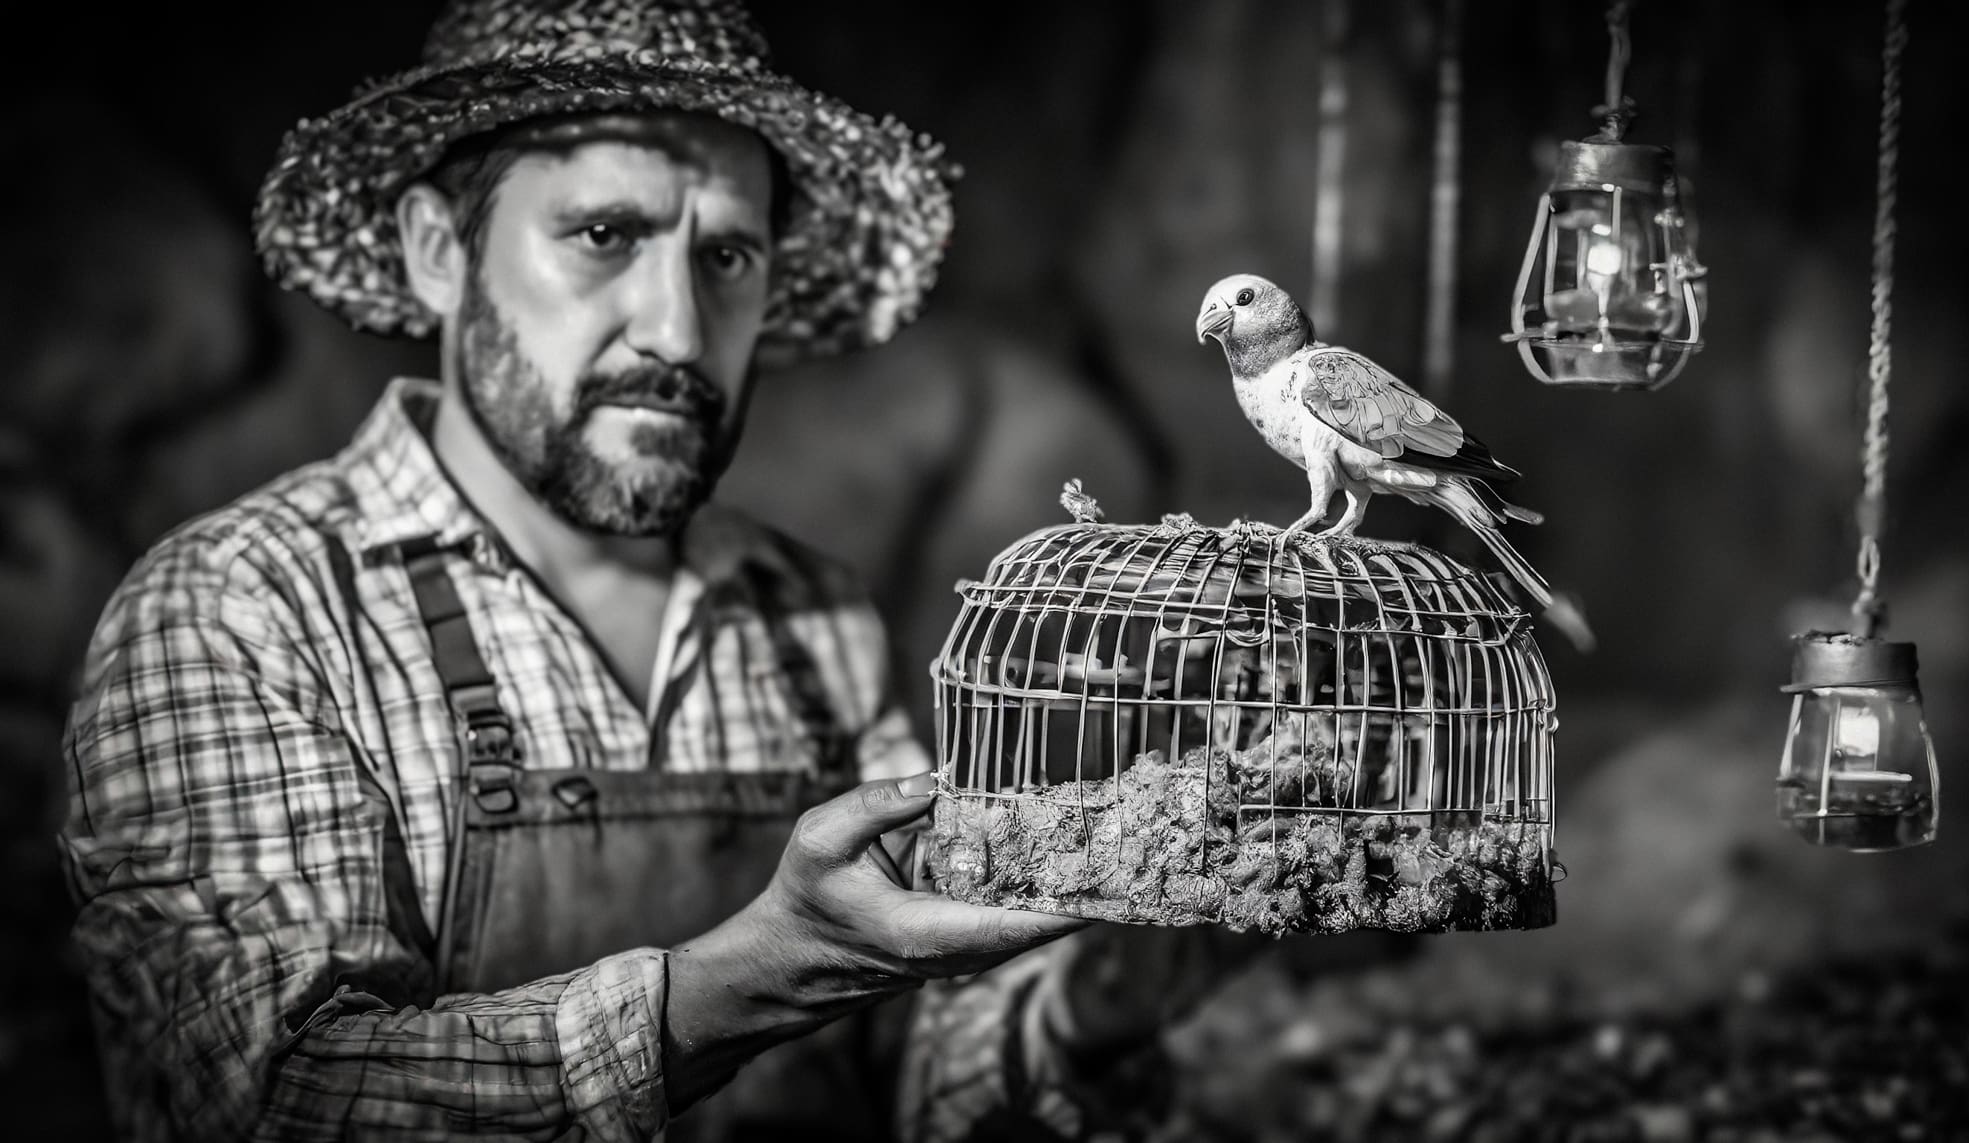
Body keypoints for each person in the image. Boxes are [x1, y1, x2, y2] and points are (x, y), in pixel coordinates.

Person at [56, 1, 1246, 1140]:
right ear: (436, 253)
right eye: (604, 235)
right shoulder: (243, 610)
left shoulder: (807, 615)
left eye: (725, 255)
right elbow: (270, 1102)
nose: (677, 330)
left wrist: (1080, 1016)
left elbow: (900, 1064)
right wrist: (741, 982)